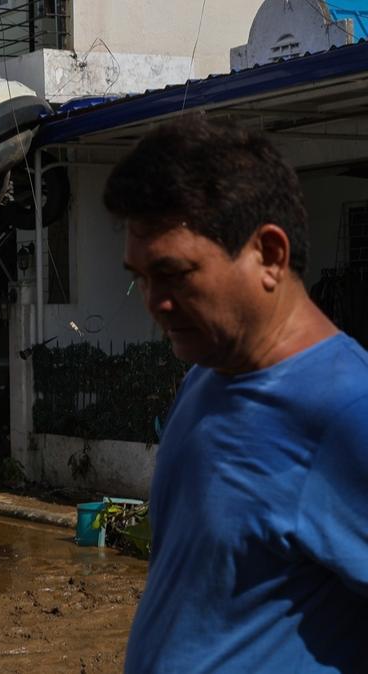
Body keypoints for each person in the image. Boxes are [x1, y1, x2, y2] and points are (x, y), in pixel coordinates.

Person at [105, 114, 368, 672]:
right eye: (142, 277)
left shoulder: (347, 411)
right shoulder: (208, 370)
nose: (152, 302)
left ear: (269, 256)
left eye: (174, 273)